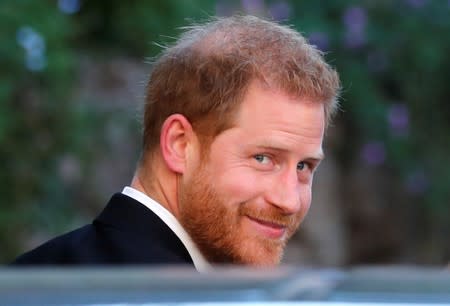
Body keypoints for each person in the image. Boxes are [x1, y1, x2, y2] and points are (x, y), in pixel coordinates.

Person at [13, 15, 340, 271]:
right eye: (263, 158)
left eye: (303, 166)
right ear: (179, 144)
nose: (290, 201)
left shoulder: (35, 274)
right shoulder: (157, 298)